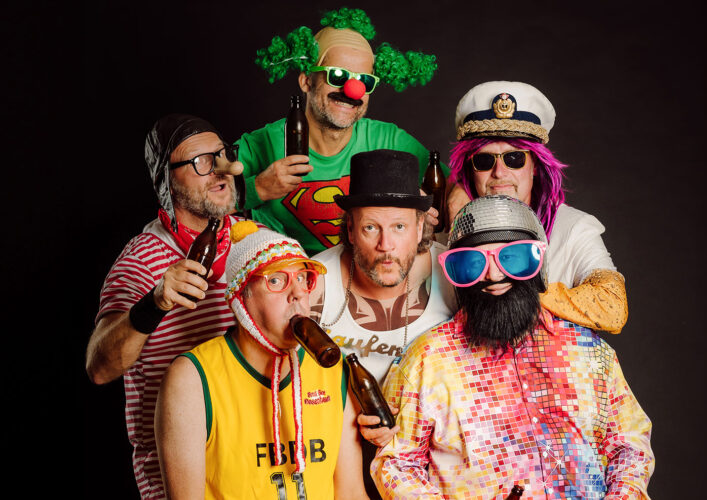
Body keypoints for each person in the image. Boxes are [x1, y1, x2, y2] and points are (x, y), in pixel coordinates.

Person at [372, 195, 654, 499]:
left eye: (512, 258)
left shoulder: (589, 351)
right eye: (474, 263)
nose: (494, 276)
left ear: (538, 262)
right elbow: (397, 464)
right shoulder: (427, 360)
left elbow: (629, 445)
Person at [85, 114, 244, 498]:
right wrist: (153, 303)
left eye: (222, 155)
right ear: (167, 182)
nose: (221, 170)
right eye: (201, 161)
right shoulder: (142, 260)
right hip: (180, 482)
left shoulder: (256, 242)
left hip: (249, 471)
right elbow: (99, 368)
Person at [155, 223, 367, 499]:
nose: (297, 293)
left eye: (303, 278)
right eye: (276, 280)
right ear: (241, 297)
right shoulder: (190, 379)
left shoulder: (334, 368)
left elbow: (351, 493)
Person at [237, 8, 446, 255]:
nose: (352, 90)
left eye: (364, 81)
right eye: (337, 75)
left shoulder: (388, 139)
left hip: (367, 270)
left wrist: (446, 199)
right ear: (306, 81)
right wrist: (257, 188)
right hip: (289, 271)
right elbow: (201, 197)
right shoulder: (262, 144)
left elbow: (459, 184)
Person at [310, 149, 457, 497]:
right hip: (338, 462)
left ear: (420, 227)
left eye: (399, 227)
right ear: (350, 228)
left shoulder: (454, 275)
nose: (385, 245)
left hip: (435, 465)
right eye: (370, 227)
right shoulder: (314, 281)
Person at [447, 81, 628, 334]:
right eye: (484, 160)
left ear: (535, 165)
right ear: (471, 169)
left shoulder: (573, 229)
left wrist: (521, 294)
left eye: (514, 158)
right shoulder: (452, 229)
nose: (499, 173)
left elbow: (612, 306)